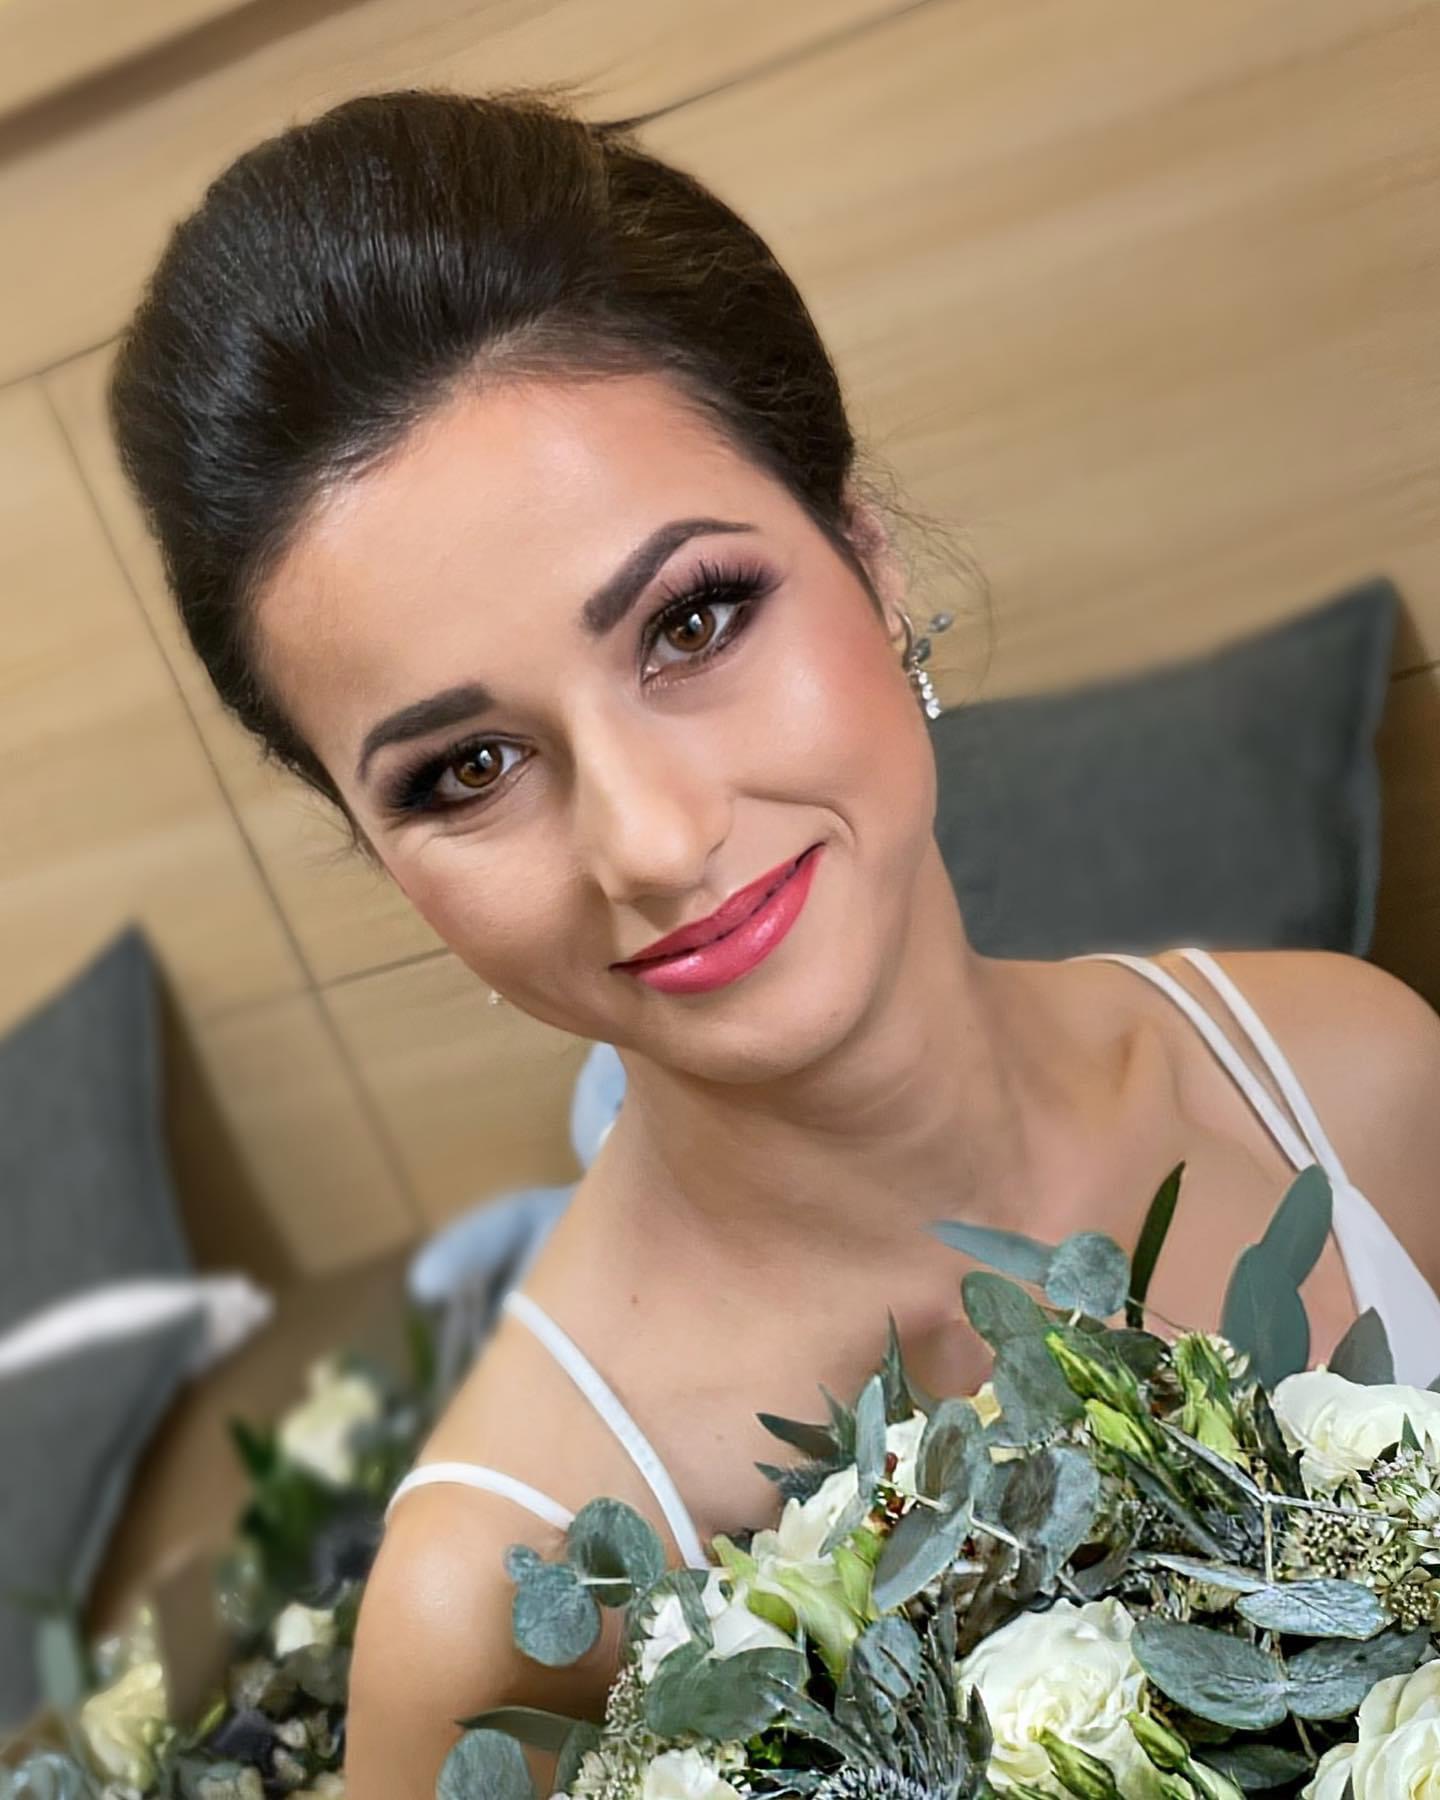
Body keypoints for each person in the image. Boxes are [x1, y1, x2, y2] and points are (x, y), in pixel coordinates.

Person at [105, 85, 1440, 1800]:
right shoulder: (492, 1612)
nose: (653, 841)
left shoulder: (1351, 1078)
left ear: (865, 558)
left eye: (694, 620)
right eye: (469, 770)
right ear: (385, 856)